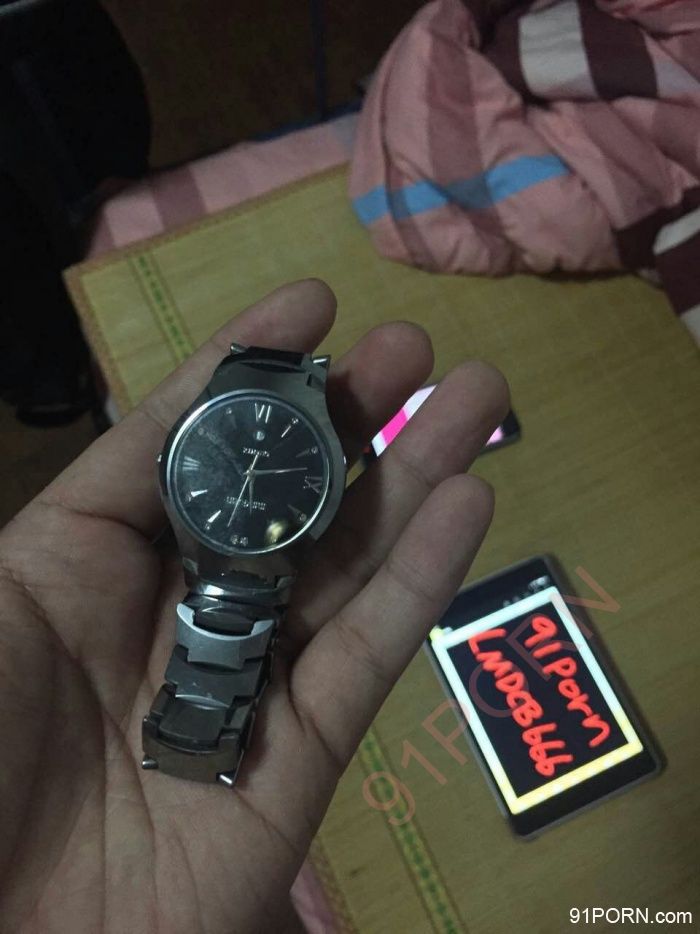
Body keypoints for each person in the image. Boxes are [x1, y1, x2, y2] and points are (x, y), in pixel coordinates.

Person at [0, 279, 508, 932]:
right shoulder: (199, 465)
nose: (243, 474)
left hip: (250, 561)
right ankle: (189, 746)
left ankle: (198, 747)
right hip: (212, 556)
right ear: (170, 464)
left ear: (328, 488)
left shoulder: (296, 465)